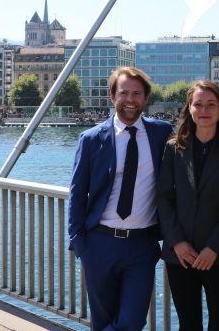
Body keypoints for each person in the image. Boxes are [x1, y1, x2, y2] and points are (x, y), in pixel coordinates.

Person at [67, 67, 173, 330]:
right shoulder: (91, 139)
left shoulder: (162, 134)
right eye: (124, 92)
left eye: (137, 93)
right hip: (100, 244)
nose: (130, 99)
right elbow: (77, 193)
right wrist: (81, 245)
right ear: (112, 96)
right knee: (102, 319)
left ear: (146, 98)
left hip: (142, 245)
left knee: (131, 321)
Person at [156, 80, 219, 331]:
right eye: (198, 104)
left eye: (211, 104)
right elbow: (163, 198)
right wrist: (177, 242)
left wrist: (214, 247)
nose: (204, 110)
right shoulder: (173, 148)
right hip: (180, 254)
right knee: (188, 322)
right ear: (189, 108)